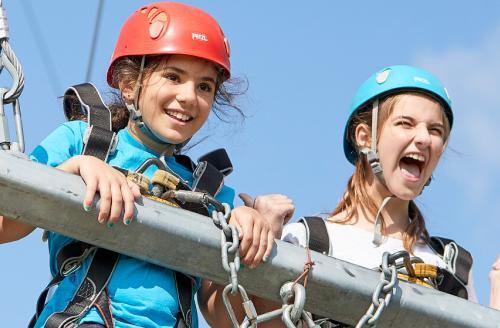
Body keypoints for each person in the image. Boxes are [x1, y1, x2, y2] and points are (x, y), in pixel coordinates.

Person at [0, 2, 276, 327]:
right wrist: (74, 170)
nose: (189, 96)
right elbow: (6, 227)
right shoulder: (84, 142)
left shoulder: (208, 193)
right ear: (129, 85)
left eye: (204, 86)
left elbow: (222, 315)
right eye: (173, 77)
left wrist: (251, 235)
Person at [225, 65, 478, 327]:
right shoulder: (308, 242)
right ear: (365, 137)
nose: (424, 138)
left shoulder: (454, 267)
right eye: (406, 123)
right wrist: (262, 246)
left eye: (435, 130)